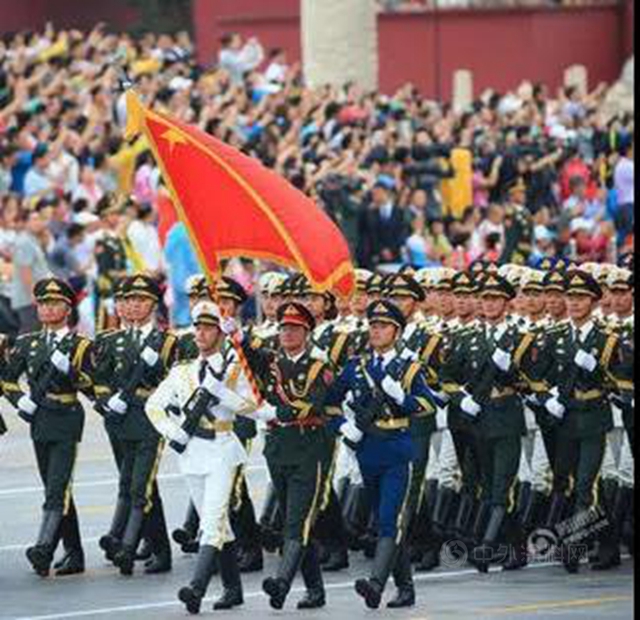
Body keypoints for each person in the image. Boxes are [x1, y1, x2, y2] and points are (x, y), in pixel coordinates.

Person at [146, 301, 258, 614]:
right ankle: (233, 589)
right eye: (197, 327)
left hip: (222, 448)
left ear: (220, 333)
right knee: (220, 524)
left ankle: (196, 588)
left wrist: (223, 393)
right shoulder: (182, 371)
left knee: (211, 522)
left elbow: (252, 407)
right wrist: (173, 431)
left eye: (208, 327)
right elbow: (153, 405)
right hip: (191, 452)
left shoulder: (234, 368)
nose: (200, 333)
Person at [329, 300, 435, 609]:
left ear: (397, 331)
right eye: (373, 326)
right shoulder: (356, 366)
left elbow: (428, 405)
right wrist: (343, 426)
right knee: (386, 521)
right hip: (367, 451)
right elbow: (329, 401)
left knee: (390, 519)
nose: (376, 331)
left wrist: (402, 396)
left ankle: (375, 584)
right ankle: (406, 588)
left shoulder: (409, 368)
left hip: (398, 451)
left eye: (383, 326)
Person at [241, 302, 337, 611]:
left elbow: (311, 404)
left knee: (297, 522)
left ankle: (281, 583)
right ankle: (315, 590)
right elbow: (250, 358)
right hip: (279, 449)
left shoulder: (319, 367)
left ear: (306, 332)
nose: (286, 333)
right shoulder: (273, 363)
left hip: (309, 448)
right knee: (296, 523)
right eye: (283, 328)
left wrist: (277, 412)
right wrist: (237, 336)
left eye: (294, 328)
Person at [2, 278, 93, 577]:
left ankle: (43, 549)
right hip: (40, 419)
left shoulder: (79, 345)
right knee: (57, 486)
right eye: (42, 303)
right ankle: (75, 553)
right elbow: (6, 378)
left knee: (56, 487)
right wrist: (20, 400)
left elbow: (93, 386)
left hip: (66, 416)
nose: (46, 308)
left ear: (67, 309)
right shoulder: (28, 343)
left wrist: (71, 371)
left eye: (53, 303)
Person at [92, 275, 178, 576]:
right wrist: (105, 402)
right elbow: (98, 380)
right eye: (127, 301)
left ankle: (126, 545)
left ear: (153, 305)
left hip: (149, 419)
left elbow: (177, 382)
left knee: (141, 484)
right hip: (119, 419)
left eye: (139, 300)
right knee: (132, 483)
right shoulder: (109, 340)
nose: (132, 306)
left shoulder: (166, 342)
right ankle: (158, 548)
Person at [11, 208, 51, 334]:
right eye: (34, 219)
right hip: (28, 298)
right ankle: (17, 354)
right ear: (25, 223)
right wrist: (33, 294)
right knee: (28, 335)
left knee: (36, 334)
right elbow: (25, 270)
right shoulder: (24, 242)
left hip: (37, 295)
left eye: (39, 219)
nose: (38, 222)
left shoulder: (32, 240)